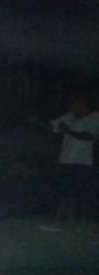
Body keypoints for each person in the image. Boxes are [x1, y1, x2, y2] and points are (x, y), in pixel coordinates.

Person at [50, 90, 99, 224]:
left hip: (83, 161)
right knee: (65, 191)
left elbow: (89, 136)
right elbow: (53, 126)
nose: (71, 104)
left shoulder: (95, 118)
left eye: (74, 101)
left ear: (83, 101)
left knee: (81, 193)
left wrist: (68, 131)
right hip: (66, 159)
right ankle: (63, 220)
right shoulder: (69, 116)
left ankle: (81, 221)